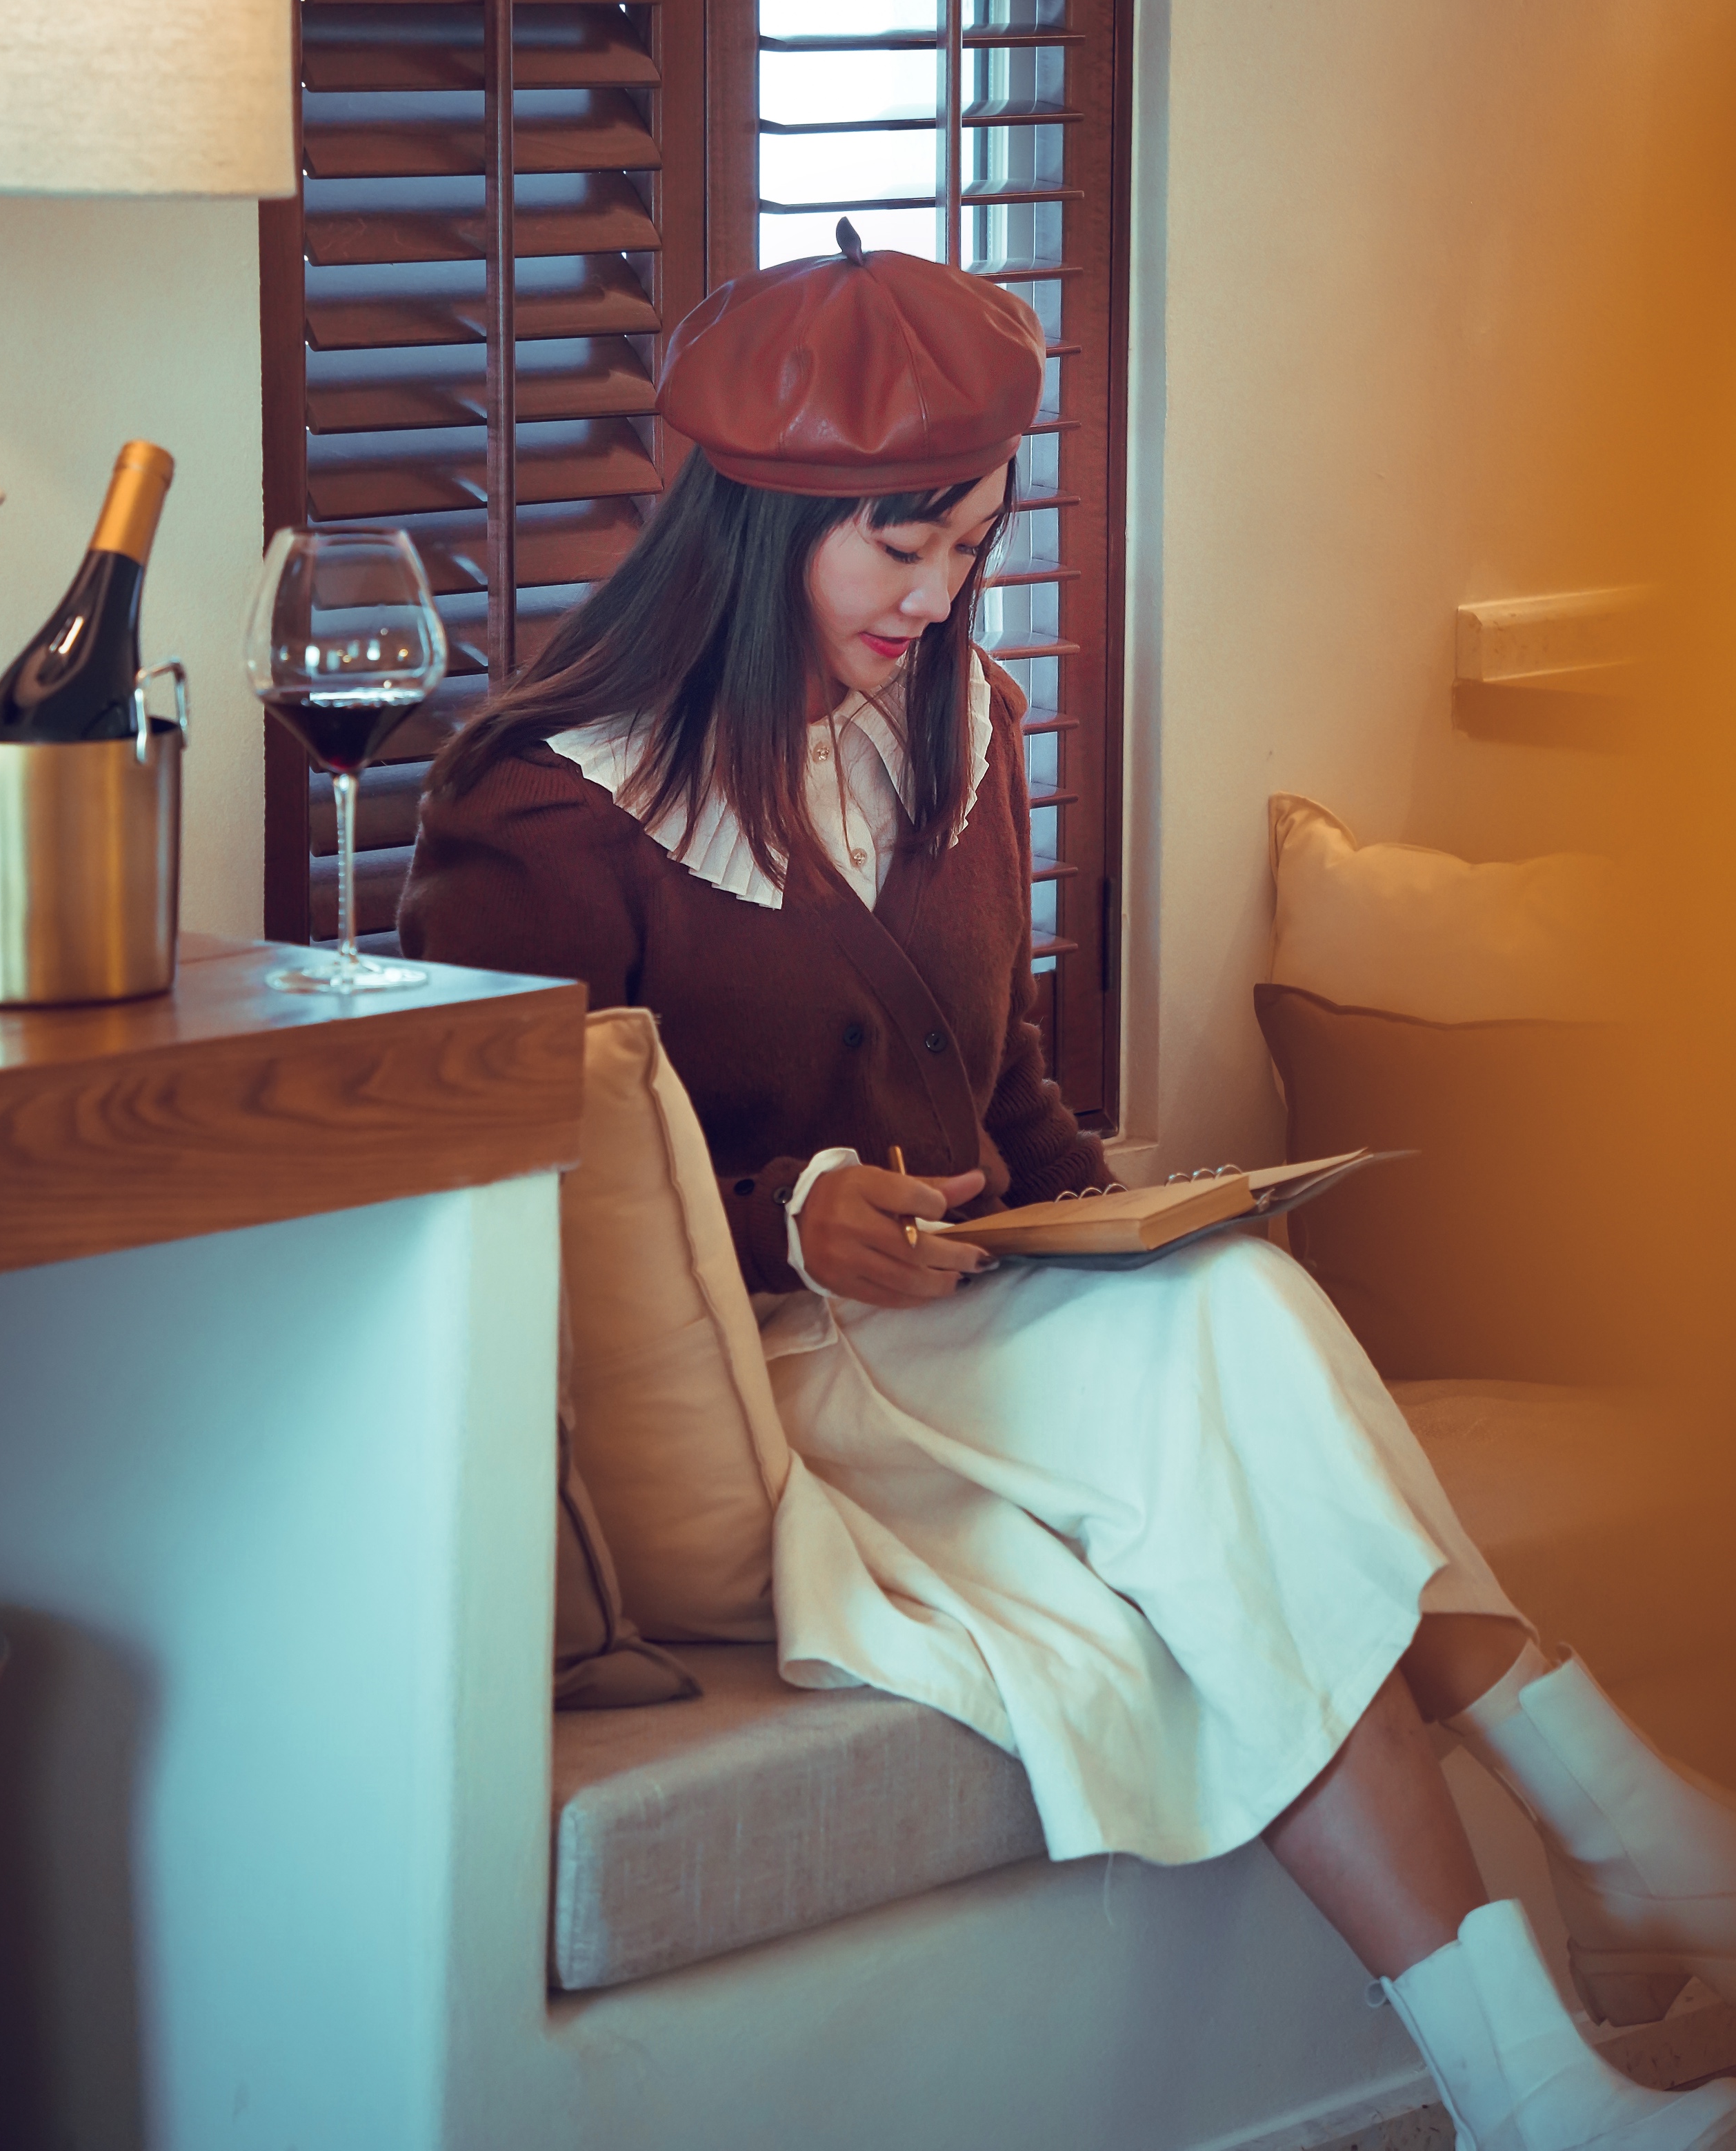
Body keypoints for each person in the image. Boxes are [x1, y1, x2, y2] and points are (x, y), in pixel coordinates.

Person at [401, 226, 1736, 2151]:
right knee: (1224, 1371)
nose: (939, 598)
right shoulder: (543, 808)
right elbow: (501, 1196)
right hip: (740, 1388)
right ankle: (1615, 1851)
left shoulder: (961, 726)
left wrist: (1126, 1224)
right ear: (758, 528)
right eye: (900, 549)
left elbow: (1004, 1083)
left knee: (1224, 1310)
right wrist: (789, 1210)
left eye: (971, 547)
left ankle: (1532, 2077)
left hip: (966, 1337)